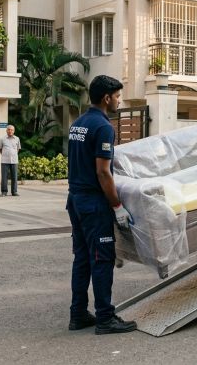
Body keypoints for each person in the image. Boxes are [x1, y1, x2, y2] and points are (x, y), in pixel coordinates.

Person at [66, 75, 137, 335]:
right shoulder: (104, 127)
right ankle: (105, 318)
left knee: (82, 258)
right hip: (94, 204)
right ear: (107, 98)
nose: (120, 100)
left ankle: (78, 314)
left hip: (74, 199)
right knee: (102, 259)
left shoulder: (78, 123)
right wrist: (117, 207)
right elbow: (103, 173)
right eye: (118, 96)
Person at [0, 125, 21, 196]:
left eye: (12, 130)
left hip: (14, 160)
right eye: (9, 129)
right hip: (5, 160)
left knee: (14, 176)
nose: (10, 131)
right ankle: (4, 191)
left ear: (14, 131)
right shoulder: (2, 139)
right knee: (4, 177)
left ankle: (14, 192)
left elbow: (18, 149)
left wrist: (13, 154)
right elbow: (0, 149)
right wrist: (6, 154)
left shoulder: (17, 139)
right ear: (6, 130)